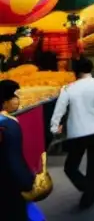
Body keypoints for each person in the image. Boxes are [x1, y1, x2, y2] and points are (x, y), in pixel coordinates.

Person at [50, 56, 94, 208]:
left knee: (71, 166)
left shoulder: (68, 89)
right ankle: (89, 192)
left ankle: (86, 187)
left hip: (77, 131)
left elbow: (58, 111)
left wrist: (54, 128)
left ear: (75, 71)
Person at [0, 80, 37, 221]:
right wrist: (27, 181)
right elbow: (13, 158)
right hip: (8, 184)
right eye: (14, 96)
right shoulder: (8, 125)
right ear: (4, 102)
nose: (17, 100)